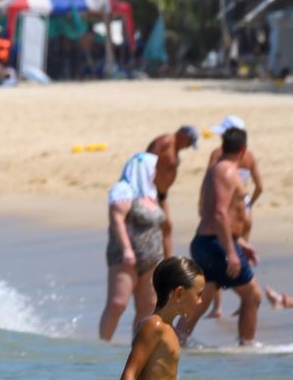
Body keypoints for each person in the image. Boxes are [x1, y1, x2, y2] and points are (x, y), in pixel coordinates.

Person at [110, 257, 205, 380]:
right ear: (179, 293)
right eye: (198, 294)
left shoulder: (167, 330)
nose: (200, 301)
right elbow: (130, 374)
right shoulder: (154, 327)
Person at [176, 126, 261, 346]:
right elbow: (219, 213)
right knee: (252, 296)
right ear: (243, 149)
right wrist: (231, 252)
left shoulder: (217, 170)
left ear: (223, 146)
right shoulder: (226, 172)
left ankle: (176, 342)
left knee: (204, 297)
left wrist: (239, 240)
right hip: (217, 244)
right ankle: (247, 347)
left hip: (210, 242)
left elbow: (213, 210)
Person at [98, 153, 165, 341]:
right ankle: (103, 345)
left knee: (148, 306)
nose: (156, 172)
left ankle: (138, 350)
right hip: (125, 257)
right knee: (117, 303)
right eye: (153, 168)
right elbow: (117, 219)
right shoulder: (123, 190)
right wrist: (127, 249)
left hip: (152, 259)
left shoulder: (151, 194)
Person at [201, 115, 261, 319]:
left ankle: (217, 308)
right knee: (239, 258)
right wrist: (249, 204)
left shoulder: (218, 155)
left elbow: (209, 183)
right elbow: (260, 186)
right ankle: (244, 303)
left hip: (223, 213)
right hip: (244, 212)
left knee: (224, 260)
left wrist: (203, 207)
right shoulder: (250, 155)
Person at [144, 125, 199, 258]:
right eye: (189, 143)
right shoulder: (167, 141)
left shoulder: (175, 148)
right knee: (151, 225)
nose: (188, 147)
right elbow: (146, 160)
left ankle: (168, 262)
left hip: (162, 193)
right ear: (183, 136)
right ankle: (149, 261)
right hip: (150, 190)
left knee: (167, 225)